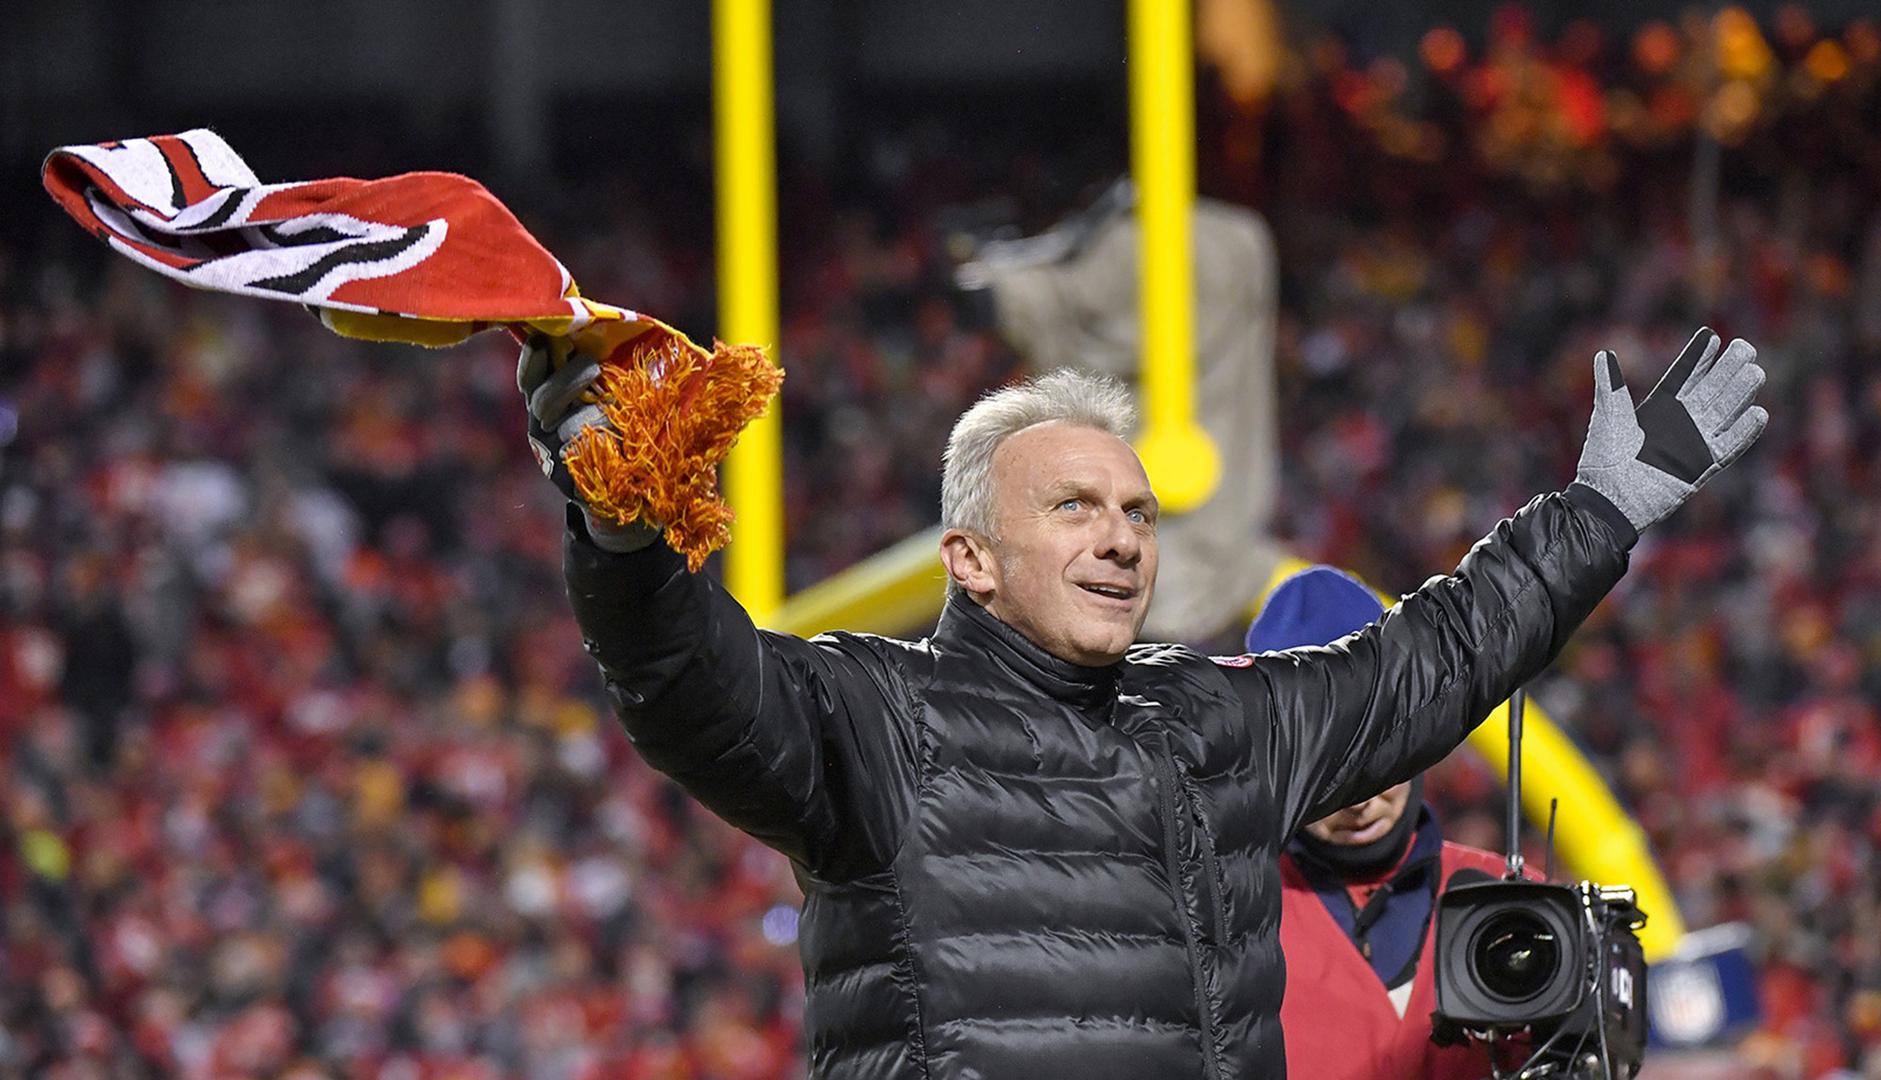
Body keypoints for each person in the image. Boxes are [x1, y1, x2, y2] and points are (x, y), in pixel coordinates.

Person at [527, 327, 1765, 1078]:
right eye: (1072, 508)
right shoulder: (872, 714)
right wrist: (622, 534)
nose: (1120, 541)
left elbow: (1428, 667)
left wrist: (1596, 514)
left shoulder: (1213, 723)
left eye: (1137, 514)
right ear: (970, 556)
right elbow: (690, 684)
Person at [1248, 565, 1520, 1079]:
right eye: (1330, 773)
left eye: (1380, 757)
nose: (1361, 800)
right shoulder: (1224, 923)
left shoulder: (1519, 905)